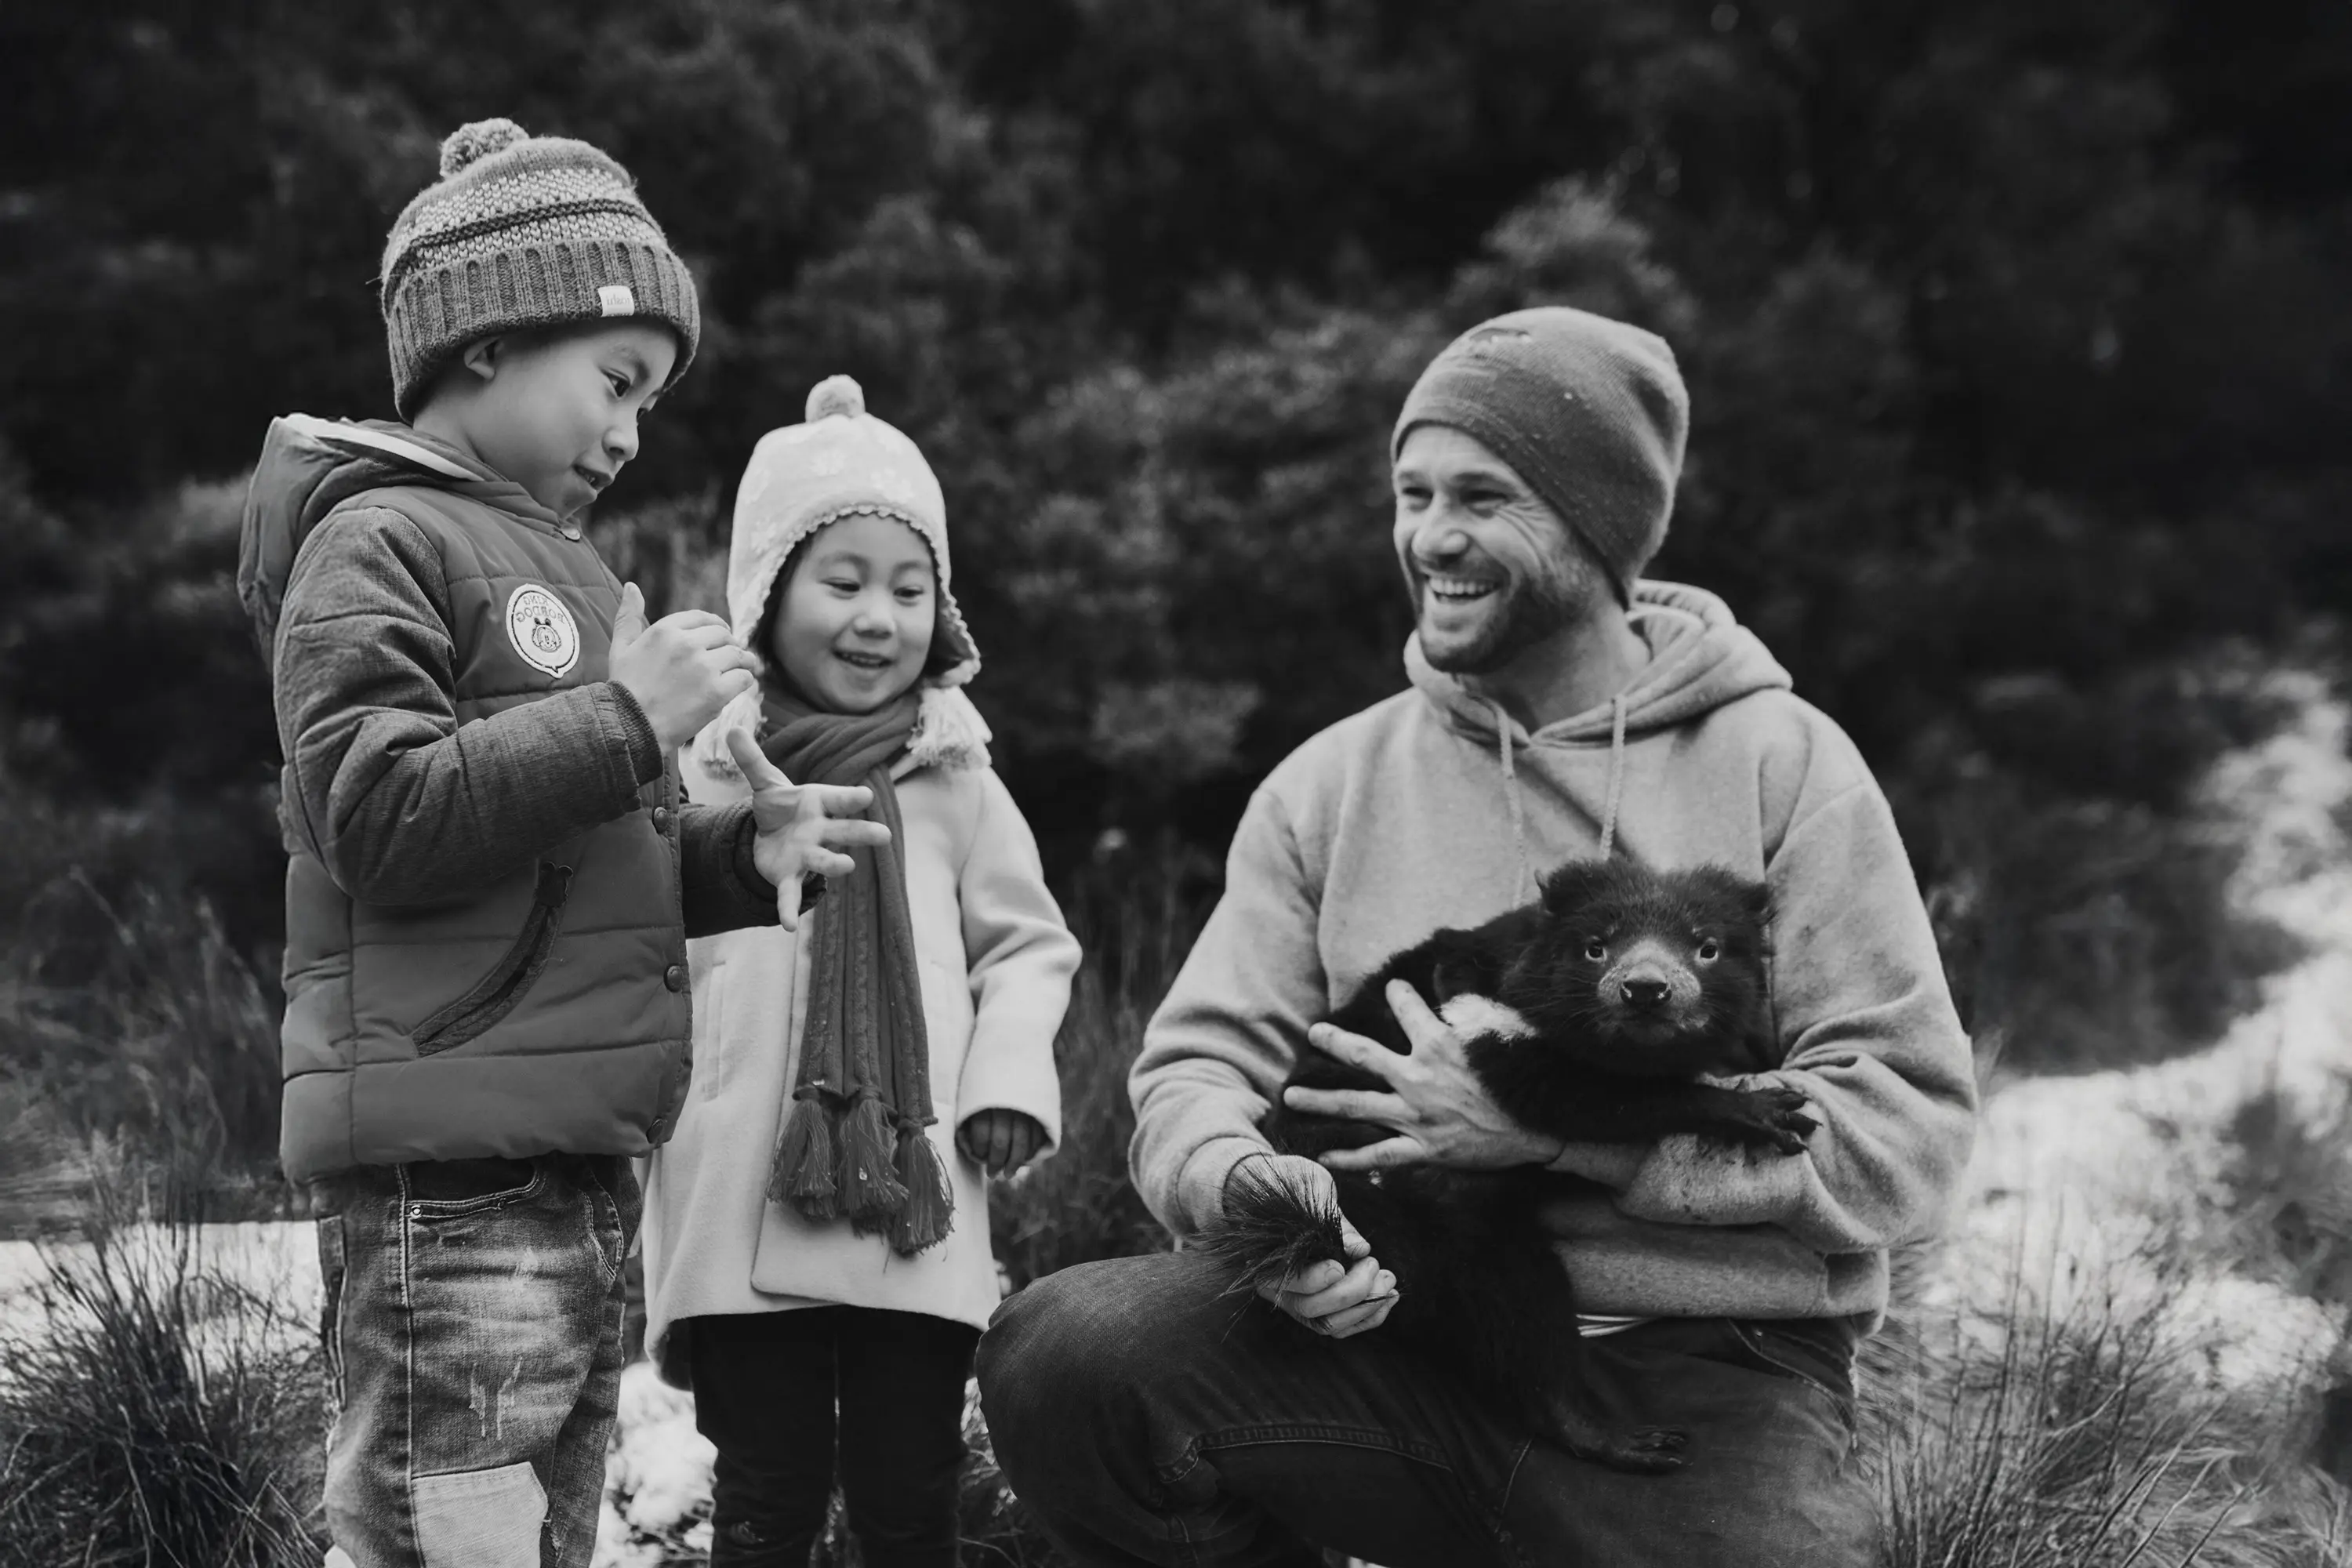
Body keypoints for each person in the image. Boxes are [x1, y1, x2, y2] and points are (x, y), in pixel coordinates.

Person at [976, 306, 1978, 1566]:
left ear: (1597, 524)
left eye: (1484, 496)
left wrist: (1569, 1140)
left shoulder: (1783, 765)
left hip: (1706, 1370)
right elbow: (1193, 1079)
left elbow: (1911, 1128)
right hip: (1387, 1336)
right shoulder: (1328, 787)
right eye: (1413, 492)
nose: (1430, 536)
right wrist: (1264, 1203)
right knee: (1069, 1356)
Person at [237, 119, 886, 1568]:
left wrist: (729, 854)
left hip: (574, 1160)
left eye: (650, 400)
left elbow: (575, 853)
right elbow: (376, 813)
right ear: (487, 344)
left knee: (532, 1536)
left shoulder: (565, 570)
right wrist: (623, 719)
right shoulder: (377, 541)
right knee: (446, 1536)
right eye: (618, 382)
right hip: (454, 1174)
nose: (631, 431)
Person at [640, 375, 1080, 1568]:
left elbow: (1029, 946)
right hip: (741, 1190)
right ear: (767, 594)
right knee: (765, 1496)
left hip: (910, 1194)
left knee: (909, 1495)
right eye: (840, 583)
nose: (877, 617)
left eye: (907, 585)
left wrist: (1006, 1085)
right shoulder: (704, 768)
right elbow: (641, 938)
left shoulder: (956, 777)